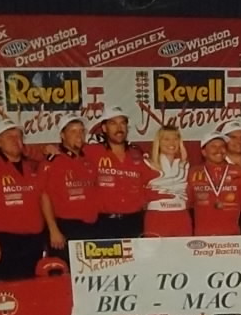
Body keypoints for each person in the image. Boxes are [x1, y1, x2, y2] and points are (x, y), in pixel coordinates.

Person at [0, 120, 47, 280]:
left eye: (18, 136)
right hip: (5, 240)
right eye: (9, 136)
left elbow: (42, 198)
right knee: (5, 289)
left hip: (34, 239)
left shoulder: (32, 166)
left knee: (32, 286)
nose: (15, 140)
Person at [93, 105, 158, 239]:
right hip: (104, 223)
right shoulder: (92, 152)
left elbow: (151, 181)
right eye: (113, 123)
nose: (119, 128)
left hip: (134, 221)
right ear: (104, 128)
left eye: (122, 123)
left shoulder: (138, 153)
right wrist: (51, 150)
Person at [41, 114, 99, 261]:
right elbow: (43, 196)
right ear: (62, 135)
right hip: (65, 226)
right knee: (65, 271)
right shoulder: (52, 162)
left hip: (92, 226)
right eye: (73, 131)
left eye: (81, 131)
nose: (79, 135)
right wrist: (53, 229)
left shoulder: (90, 159)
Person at [188, 132, 241, 236]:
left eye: (222, 146)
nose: (219, 150)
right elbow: (186, 206)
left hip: (232, 238)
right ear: (204, 152)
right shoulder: (193, 173)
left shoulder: (240, 172)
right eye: (213, 146)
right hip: (201, 238)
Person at [143, 124, 192, 237]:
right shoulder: (147, 164)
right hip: (157, 216)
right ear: (159, 142)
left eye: (175, 139)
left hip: (181, 215)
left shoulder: (185, 165)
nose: (172, 143)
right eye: (166, 139)